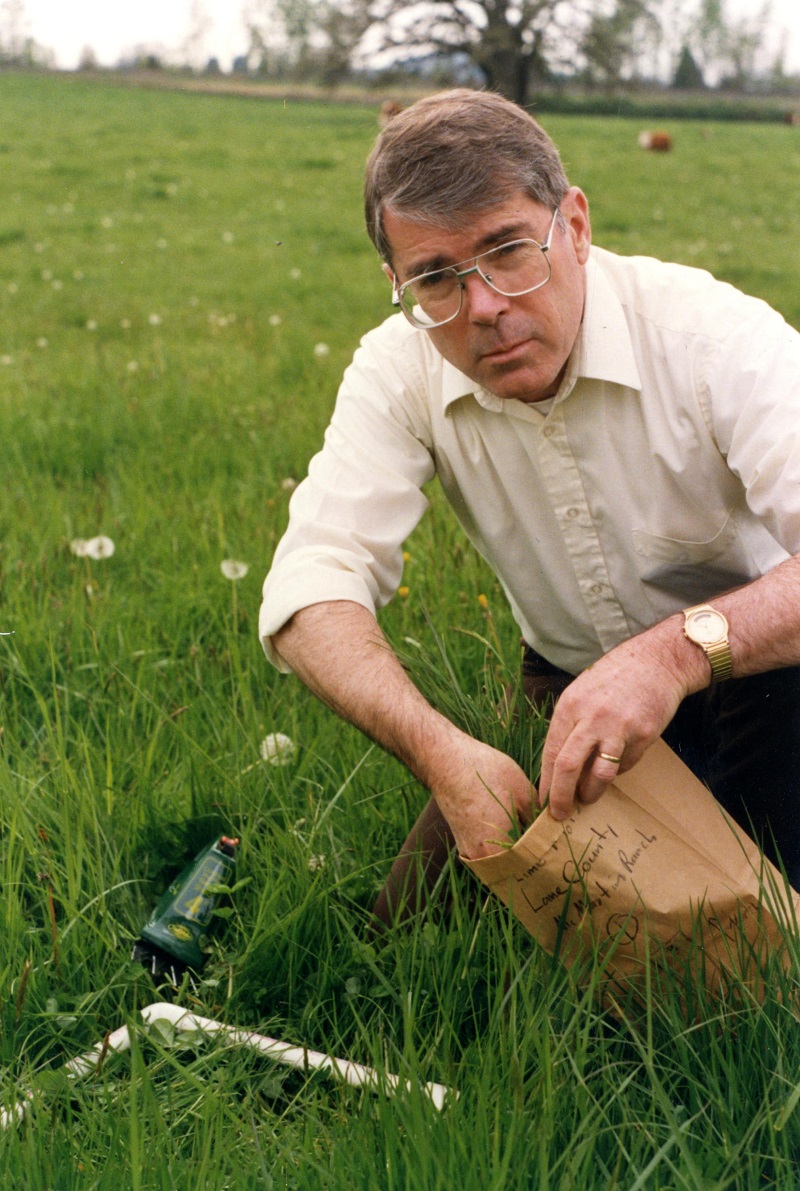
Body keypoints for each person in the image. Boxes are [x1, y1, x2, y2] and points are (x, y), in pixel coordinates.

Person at [259, 89, 800, 922]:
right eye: (436, 278)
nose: (484, 308)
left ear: (575, 226)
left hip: (763, 677)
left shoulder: (714, 340)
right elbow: (309, 586)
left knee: (753, 951)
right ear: (397, 282)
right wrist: (442, 754)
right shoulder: (398, 367)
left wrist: (669, 659)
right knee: (407, 938)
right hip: (572, 692)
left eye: (508, 251)